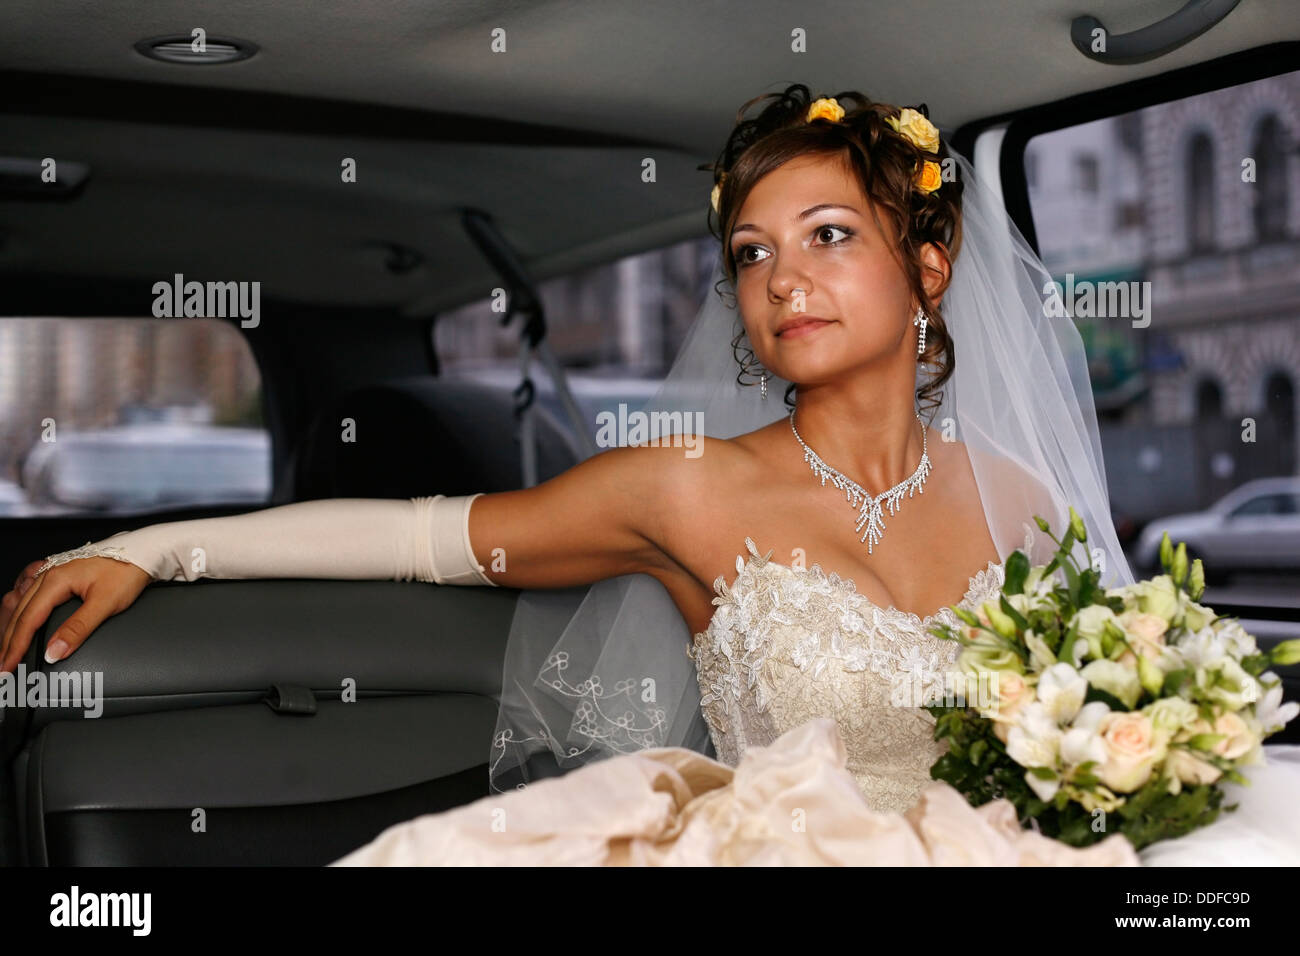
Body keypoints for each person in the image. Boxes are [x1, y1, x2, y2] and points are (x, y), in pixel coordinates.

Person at [2, 85, 1296, 866]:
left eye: (830, 236)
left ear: (931, 264)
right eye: (750, 250)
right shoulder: (684, 488)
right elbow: (412, 536)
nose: (783, 278)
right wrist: (158, 548)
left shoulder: (1022, 496)